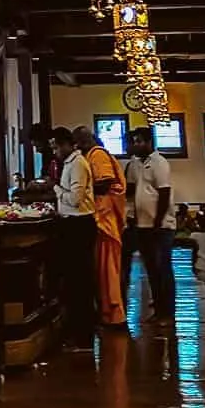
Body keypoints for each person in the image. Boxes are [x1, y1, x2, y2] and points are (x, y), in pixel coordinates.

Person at [73, 126, 127, 328]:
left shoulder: (97, 155)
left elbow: (105, 184)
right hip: (101, 217)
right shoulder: (93, 155)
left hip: (105, 218)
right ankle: (107, 312)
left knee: (108, 270)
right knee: (103, 270)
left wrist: (79, 187)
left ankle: (114, 313)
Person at [51, 126, 96, 350]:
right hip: (71, 223)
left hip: (79, 224)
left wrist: (56, 189)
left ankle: (84, 335)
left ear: (69, 144)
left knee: (80, 282)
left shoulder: (78, 164)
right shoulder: (69, 163)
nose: (55, 152)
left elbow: (76, 199)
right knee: (74, 281)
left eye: (57, 147)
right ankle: (77, 332)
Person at [126, 126, 176, 319]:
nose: (136, 145)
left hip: (160, 226)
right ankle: (158, 308)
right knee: (151, 269)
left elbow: (164, 193)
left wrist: (157, 222)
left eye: (139, 141)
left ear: (148, 142)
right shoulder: (135, 163)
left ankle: (168, 312)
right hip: (142, 224)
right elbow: (130, 190)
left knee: (163, 267)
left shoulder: (159, 163)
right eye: (134, 142)